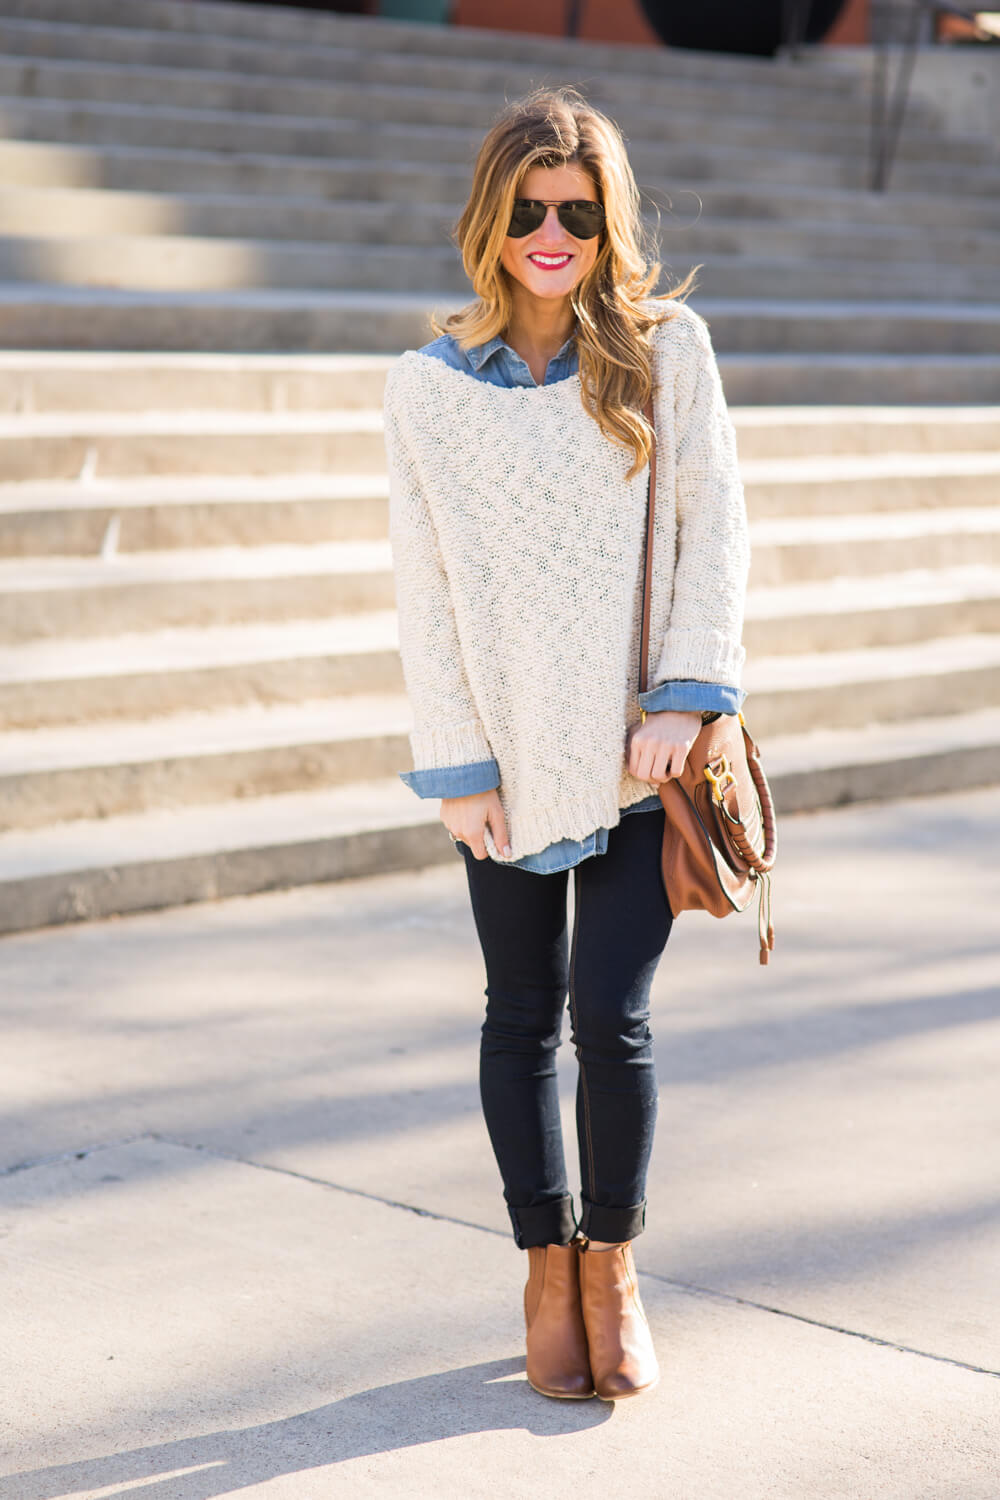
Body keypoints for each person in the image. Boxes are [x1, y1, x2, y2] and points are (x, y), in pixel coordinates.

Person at [382, 86, 750, 1402]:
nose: (554, 234)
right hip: (506, 760)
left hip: (642, 759)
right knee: (520, 1017)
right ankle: (544, 1264)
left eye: (578, 213)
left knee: (612, 1016)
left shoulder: (670, 352)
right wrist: (458, 761)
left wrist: (687, 699)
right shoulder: (426, 390)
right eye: (531, 210)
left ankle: (616, 1267)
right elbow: (422, 582)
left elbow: (715, 529)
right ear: (494, 219)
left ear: (609, 222)